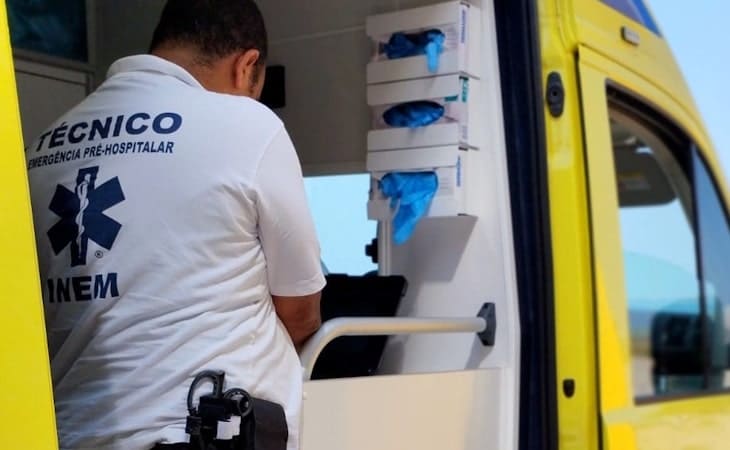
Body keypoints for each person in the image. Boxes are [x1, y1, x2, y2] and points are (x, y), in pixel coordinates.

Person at [25, 1, 325, 449]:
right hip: (199, 433)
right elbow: (300, 312)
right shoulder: (247, 125)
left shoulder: (40, 148)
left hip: (65, 435)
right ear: (246, 66)